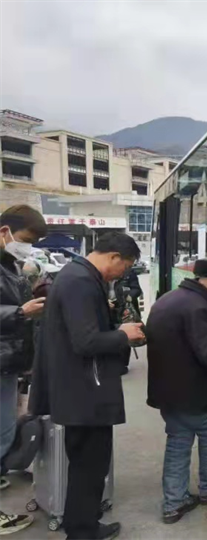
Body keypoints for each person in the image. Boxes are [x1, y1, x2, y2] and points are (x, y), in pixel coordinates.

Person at [31, 232, 145, 540]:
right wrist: (123, 335)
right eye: (125, 266)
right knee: (90, 465)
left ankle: (81, 522)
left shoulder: (77, 275)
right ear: (114, 257)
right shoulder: (80, 282)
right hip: (83, 391)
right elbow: (86, 342)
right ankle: (82, 532)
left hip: (77, 388)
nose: (122, 273)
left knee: (85, 463)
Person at [146, 259, 207, 525]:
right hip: (193, 392)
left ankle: (173, 503)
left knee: (178, 443)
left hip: (167, 392)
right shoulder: (197, 307)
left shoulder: (169, 299)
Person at [0, 206, 47, 536]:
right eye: (26, 239)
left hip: (7, 362)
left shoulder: (10, 264)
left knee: (4, 432)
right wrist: (20, 312)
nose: (26, 247)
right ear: (5, 231)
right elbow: (14, 310)